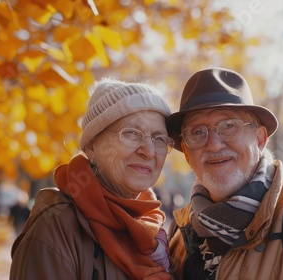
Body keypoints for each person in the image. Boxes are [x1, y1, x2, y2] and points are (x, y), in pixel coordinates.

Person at [166, 67, 283, 279]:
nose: (213, 144)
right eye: (197, 132)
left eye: (229, 125)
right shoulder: (179, 231)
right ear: (186, 152)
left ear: (260, 139)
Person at [10, 78, 175, 279]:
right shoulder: (56, 226)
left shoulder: (156, 228)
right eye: (131, 133)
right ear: (91, 146)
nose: (149, 151)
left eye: (159, 139)